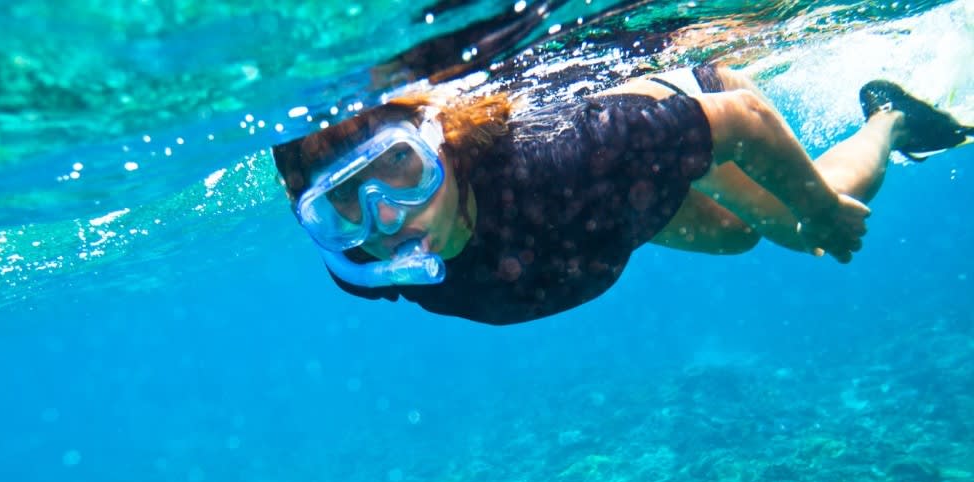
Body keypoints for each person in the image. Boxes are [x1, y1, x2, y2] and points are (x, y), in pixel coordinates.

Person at [272, 64, 972, 325]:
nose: (385, 218)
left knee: (800, 230)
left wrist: (820, 209)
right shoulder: (367, 268)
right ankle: (686, 164)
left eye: (399, 166)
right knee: (737, 237)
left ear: (441, 143)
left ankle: (893, 115)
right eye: (343, 203)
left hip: (678, 110)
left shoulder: (568, 154)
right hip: (612, 206)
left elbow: (744, 123)